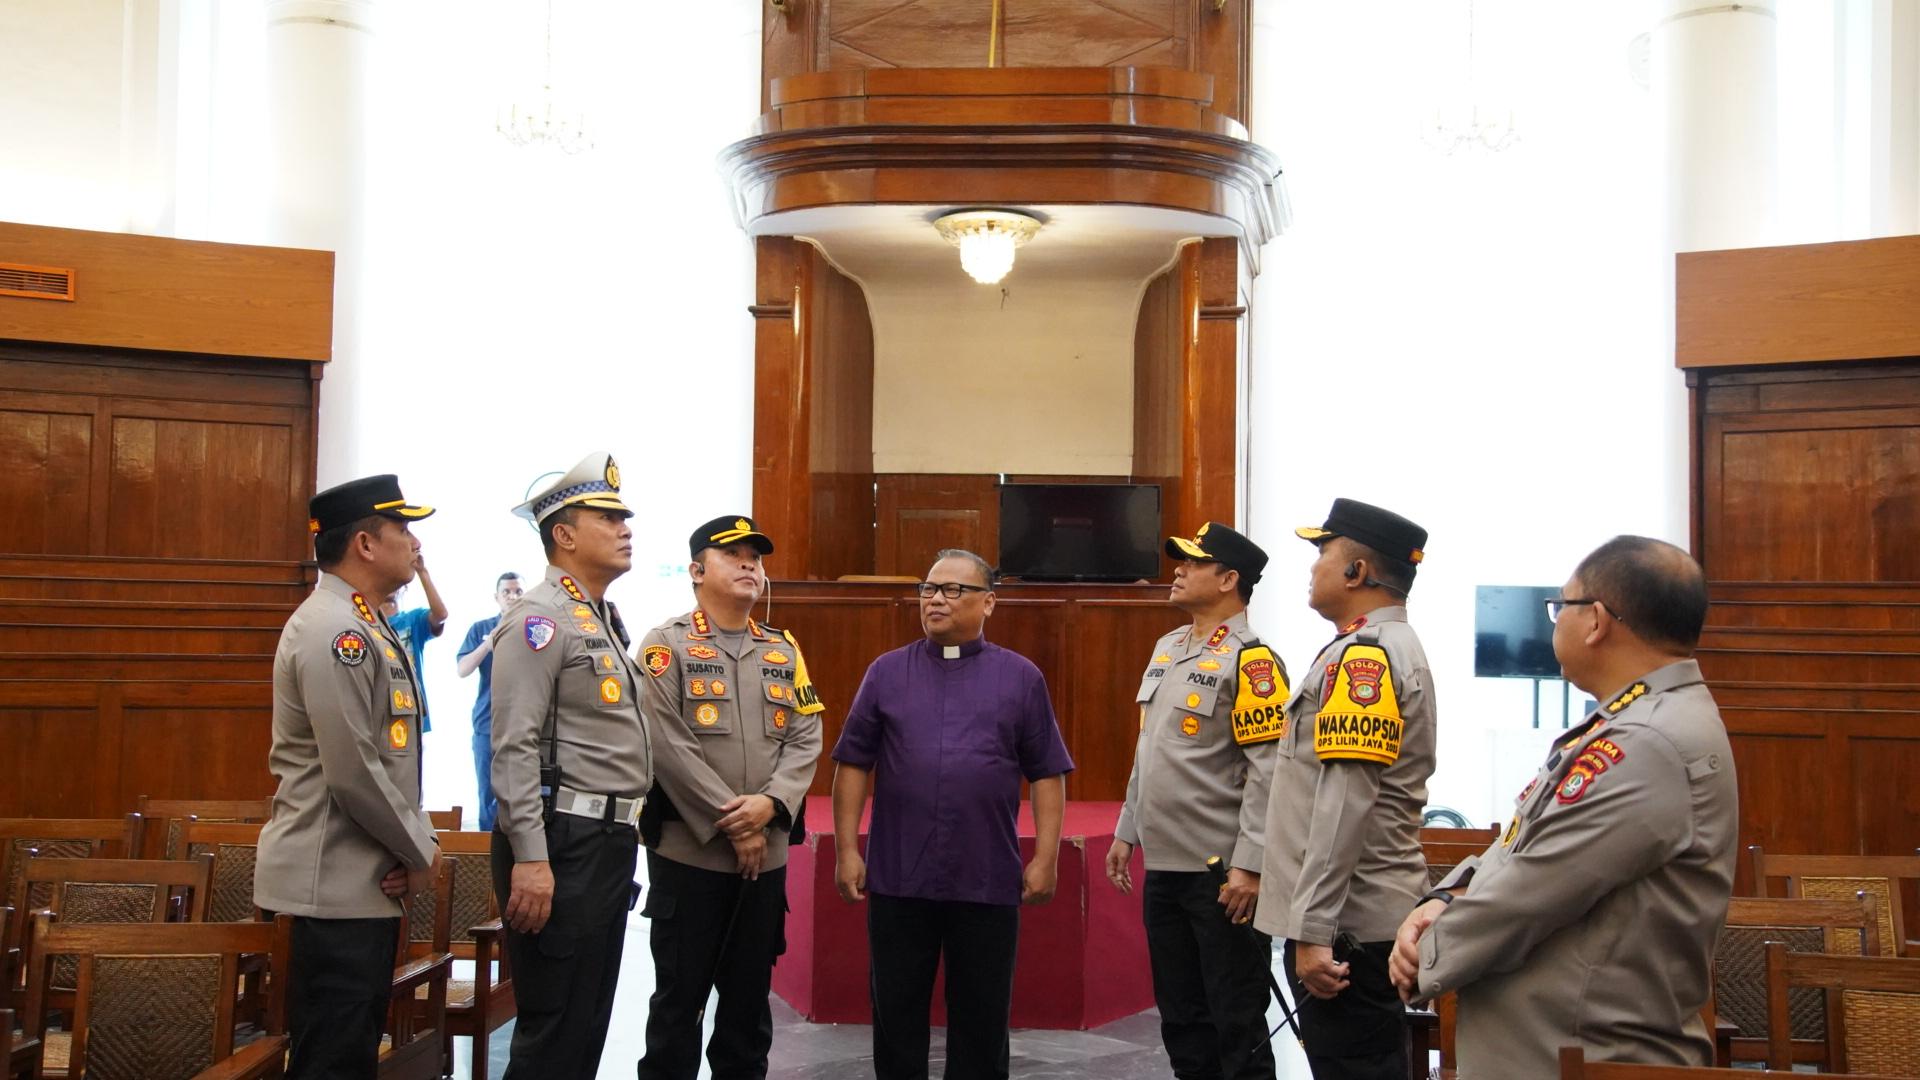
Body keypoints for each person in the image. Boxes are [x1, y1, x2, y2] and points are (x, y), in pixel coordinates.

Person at [1389, 536, 1735, 1077]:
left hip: (1580, 1053)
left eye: (1561, 607)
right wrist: (1447, 895)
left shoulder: (1649, 739)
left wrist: (1426, 955)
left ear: (1596, 621)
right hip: (1558, 1047)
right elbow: (1525, 842)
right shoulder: (1634, 721)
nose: (1556, 622)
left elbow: (1536, 886)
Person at [831, 549, 1074, 1080]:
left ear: (989, 602)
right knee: (895, 1018)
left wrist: (1047, 858)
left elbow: (1047, 773)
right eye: (928, 588)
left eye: (952, 590)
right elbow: (852, 764)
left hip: (986, 877)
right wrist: (848, 850)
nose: (935, 598)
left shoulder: (1021, 677)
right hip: (898, 876)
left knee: (983, 1024)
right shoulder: (886, 672)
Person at [255, 474, 442, 1079]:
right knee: (331, 1062)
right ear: (365, 543)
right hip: (329, 886)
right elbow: (354, 770)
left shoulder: (368, 624)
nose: (415, 544)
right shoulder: (334, 630)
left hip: (357, 882)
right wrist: (420, 851)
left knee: (350, 1056)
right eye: (404, 529)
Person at [634, 515, 825, 1080]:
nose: (749, 564)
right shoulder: (665, 646)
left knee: (747, 1007)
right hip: (689, 855)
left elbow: (806, 734)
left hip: (766, 858)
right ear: (696, 571)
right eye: (732, 554)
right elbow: (666, 745)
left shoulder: (783, 648)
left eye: (755, 557)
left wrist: (770, 806)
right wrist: (734, 823)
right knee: (679, 1004)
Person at [1255, 498, 1436, 1080]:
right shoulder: (1372, 647)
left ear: (1357, 572)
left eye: (1323, 553)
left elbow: (1342, 809)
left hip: (1348, 929)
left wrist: (1312, 933)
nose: (1313, 568)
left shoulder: (1368, 657)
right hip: (1354, 922)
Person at [489, 452, 651, 1079]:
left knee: (586, 1026)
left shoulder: (600, 619)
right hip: (560, 842)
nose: (625, 528)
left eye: (625, 517)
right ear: (564, 534)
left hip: (604, 842)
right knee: (554, 1029)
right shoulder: (539, 620)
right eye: (608, 517)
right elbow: (514, 746)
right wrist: (531, 857)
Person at [1105, 522, 1284, 1080]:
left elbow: (1271, 773)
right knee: (1181, 1021)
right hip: (1165, 867)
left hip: (1222, 877)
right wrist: (1125, 829)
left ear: (1229, 579)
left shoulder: (1253, 662)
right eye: (1179, 561)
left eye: (1193, 563)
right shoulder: (1167, 647)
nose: (1178, 570)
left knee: (1235, 1022)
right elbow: (1149, 750)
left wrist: (1251, 866)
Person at [456, 571, 524, 832]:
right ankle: (487, 864)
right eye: (506, 592)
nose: (512, 596)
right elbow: (462, 669)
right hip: (487, 725)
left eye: (518, 591)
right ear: (496, 597)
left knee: (524, 796)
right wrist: (488, 643)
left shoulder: (535, 629)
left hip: (525, 726)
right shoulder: (481, 628)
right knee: (488, 797)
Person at [379, 553, 447, 731]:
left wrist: (422, 573)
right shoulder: (367, 621)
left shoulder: (413, 619)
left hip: (410, 706)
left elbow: (441, 615)